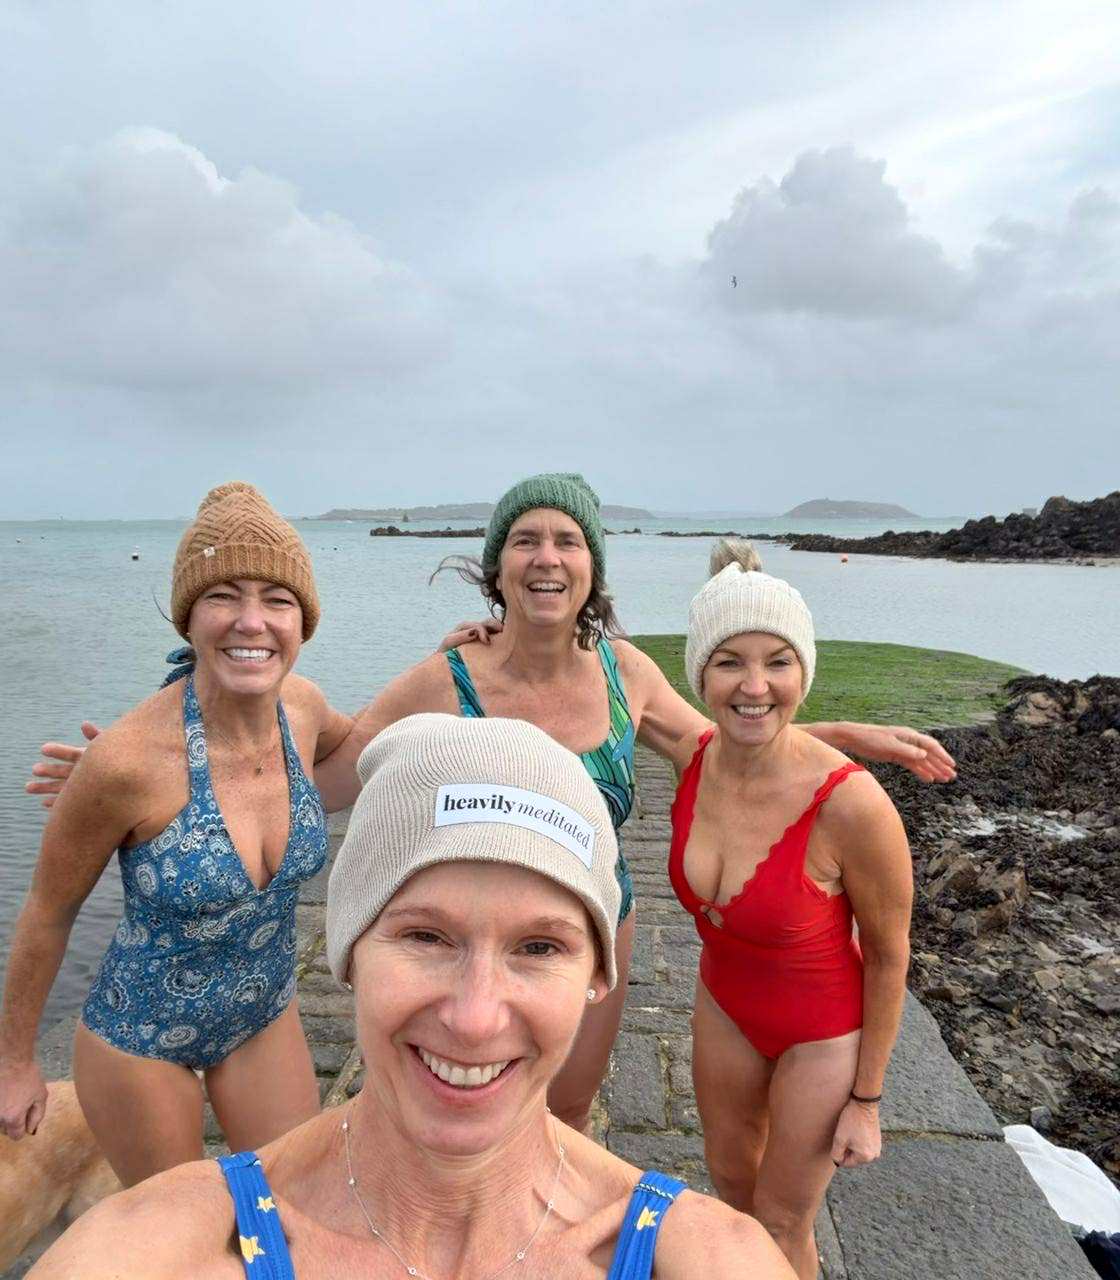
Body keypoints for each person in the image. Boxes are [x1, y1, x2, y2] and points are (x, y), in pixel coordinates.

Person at [23, 473, 955, 1136]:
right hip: (469, 937)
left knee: (566, 1109)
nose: (547, 557)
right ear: (497, 567)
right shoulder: (448, 674)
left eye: (567, 541)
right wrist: (164, 768)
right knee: (456, 1111)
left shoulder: (627, 672)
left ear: (591, 568)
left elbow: (725, 745)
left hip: (594, 930)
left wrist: (838, 734)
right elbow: (337, 766)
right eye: (525, 540)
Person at [30, 715, 797, 1279]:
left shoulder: (707, 1260)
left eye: (539, 947)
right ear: (350, 950)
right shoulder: (161, 1251)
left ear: (598, 976)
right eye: (426, 936)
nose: (475, 1016)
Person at [0, 483, 353, 1186]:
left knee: (293, 1197)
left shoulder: (304, 710)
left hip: (262, 1011)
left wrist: (456, 666)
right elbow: (47, 912)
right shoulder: (124, 764)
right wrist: (14, 1063)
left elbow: (361, 753)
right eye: (223, 595)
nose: (252, 621)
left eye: (277, 600)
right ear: (187, 617)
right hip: (142, 1035)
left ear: (303, 622)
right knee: (178, 1219)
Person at [665, 548, 913, 1280]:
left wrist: (867, 1100)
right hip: (725, 1005)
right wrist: (490, 631)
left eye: (778, 662)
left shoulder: (853, 806)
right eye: (729, 663)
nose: (754, 685)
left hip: (822, 1033)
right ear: (700, 677)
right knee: (731, 1188)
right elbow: (597, 662)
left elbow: (890, 953)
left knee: (781, 1219)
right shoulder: (690, 755)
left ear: (803, 672)